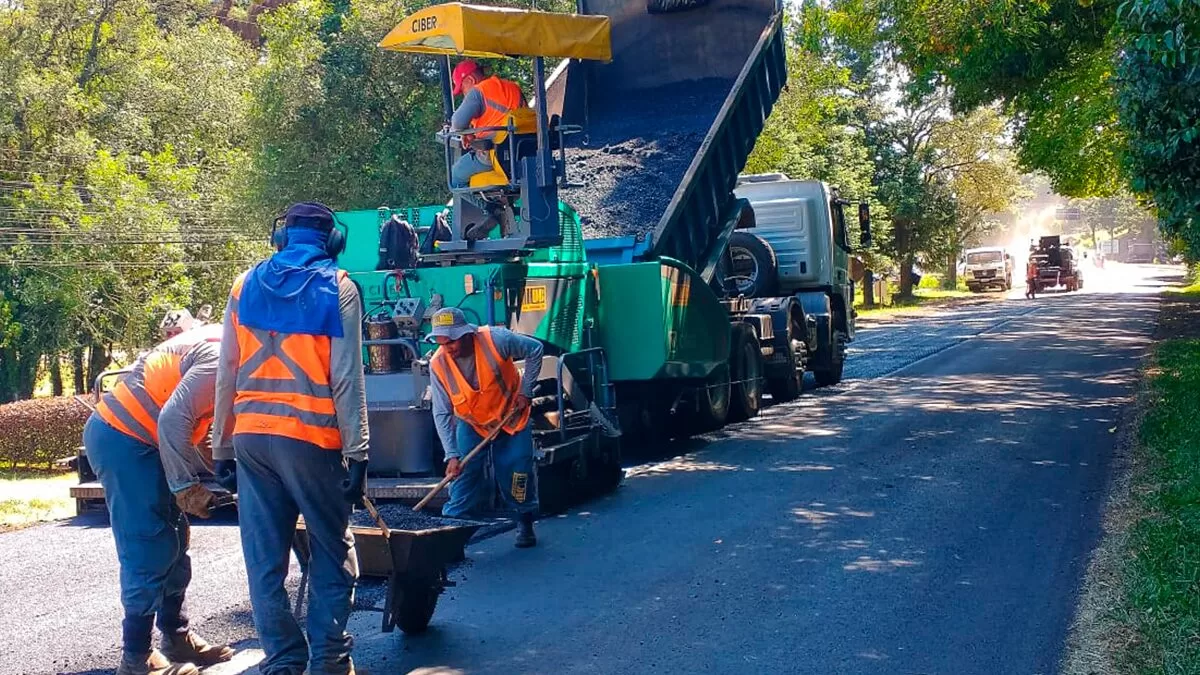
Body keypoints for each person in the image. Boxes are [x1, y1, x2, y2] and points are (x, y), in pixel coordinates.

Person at [211, 202, 369, 675]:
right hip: (311, 440)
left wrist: (221, 446)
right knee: (331, 549)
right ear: (332, 242)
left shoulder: (243, 286)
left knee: (264, 558)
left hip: (252, 441)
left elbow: (226, 372)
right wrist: (358, 452)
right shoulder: (339, 288)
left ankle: (282, 660)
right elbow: (346, 379)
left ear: (281, 238)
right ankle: (330, 659)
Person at [85, 323, 234, 675]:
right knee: (148, 544)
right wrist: (186, 487)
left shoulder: (226, 342)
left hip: (147, 440)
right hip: (124, 440)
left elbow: (189, 426)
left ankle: (176, 637)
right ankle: (137, 659)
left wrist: (215, 472)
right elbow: (171, 422)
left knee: (175, 540)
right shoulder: (219, 359)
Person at [428, 307, 544, 548]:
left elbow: (535, 350)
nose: (448, 348)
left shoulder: (496, 340)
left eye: (451, 341)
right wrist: (451, 454)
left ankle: (524, 521)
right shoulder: (438, 364)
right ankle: (452, 534)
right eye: (442, 342)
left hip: (511, 418)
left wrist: (526, 391)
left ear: (466, 334)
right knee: (460, 474)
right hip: (473, 423)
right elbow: (441, 412)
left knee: (516, 471)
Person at [447, 59, 528, 189]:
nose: (464, 95)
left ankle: (485, 208)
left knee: (455, 176)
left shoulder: (478, 92)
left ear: (470, 80)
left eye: (462, 89)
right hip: (525, 151)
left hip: (495, 155)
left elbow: (457, 123)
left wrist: (466, 132)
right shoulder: (512, 87)